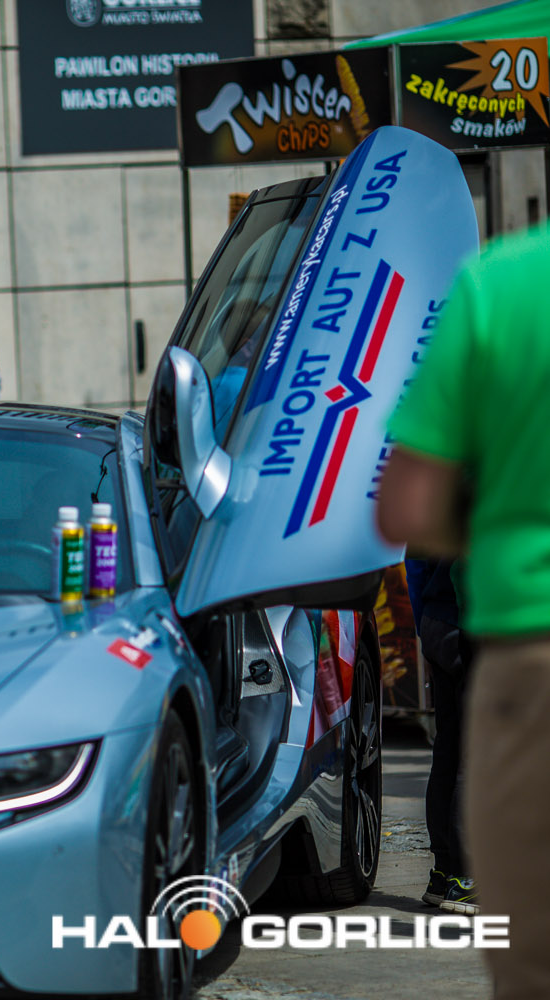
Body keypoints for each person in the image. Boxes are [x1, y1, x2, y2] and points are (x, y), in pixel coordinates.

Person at [376, 224, 550, 999]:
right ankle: (452, 875)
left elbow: (405, 509)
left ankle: (457, 877)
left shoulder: (496, 285)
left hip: (515, 630)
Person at [404, 558, 475, 913]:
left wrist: (425, 622)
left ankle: (443, 873)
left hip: (436, 620)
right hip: (470, 621)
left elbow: (415, 565)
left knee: (448, 749)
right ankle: (466, 877)